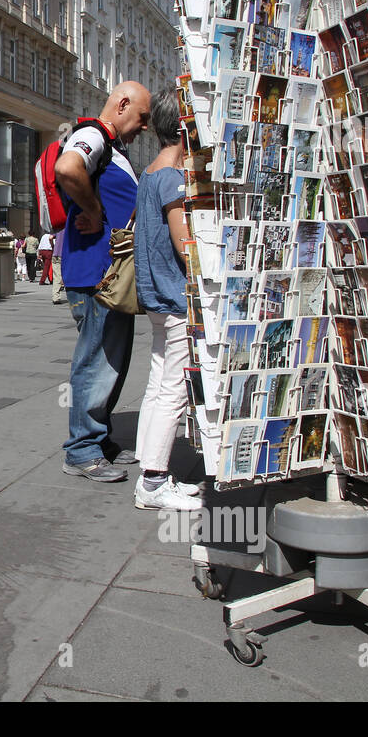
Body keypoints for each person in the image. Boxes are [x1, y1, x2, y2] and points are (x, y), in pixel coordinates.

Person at [57, 81, 152, 481]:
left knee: (110, 360)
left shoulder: (111, 145)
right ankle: (82, 450)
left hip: (107, 274)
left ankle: (99, 440)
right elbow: (67, 167)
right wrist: (94, 212)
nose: (144, 126)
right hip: (97, 274)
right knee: (96, 360)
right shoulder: (92, 134)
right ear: (122, 103)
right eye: (142, 117)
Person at [131, 89, 204, 510]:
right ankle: (155, 481)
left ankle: (150, 465)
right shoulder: (173, 179)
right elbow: (184, 244)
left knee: (159, 381)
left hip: (155, 295)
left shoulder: (149, 174)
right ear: (185, 129)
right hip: (175, 296)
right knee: (173, 387)